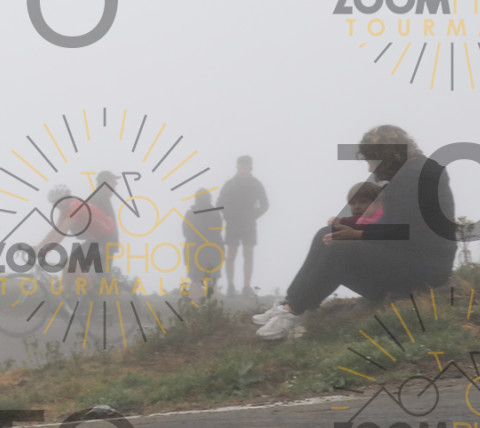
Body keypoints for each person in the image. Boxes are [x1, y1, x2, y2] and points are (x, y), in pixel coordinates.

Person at [254, 126, 455, 341]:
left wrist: (358, 235)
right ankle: (290, 304)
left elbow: (405, 231)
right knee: (329, 234)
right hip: (418, 262)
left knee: (341, 250)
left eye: (371, 161)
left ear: (386, 156)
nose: (370, 169)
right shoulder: (415, 172)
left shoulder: (411, 178)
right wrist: (352, 231)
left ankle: (294, 310)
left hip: (422, 273)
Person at [218, 156, 268, 297]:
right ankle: (230, 286)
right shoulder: (230, 184)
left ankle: (246, 286)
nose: (244, 171)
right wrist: (228, 215)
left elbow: (265, 204)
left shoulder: (256, 185)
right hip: (233, 223)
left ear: (251, 168)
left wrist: (253, 215)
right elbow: (219, 202)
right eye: (241, 168)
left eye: (246, 168)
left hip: (249, 223)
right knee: (232, 253)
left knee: (249, 253)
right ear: (237, 167)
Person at [181, 187, 223, 301]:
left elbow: (185, 232)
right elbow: (218, 231)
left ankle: (196, 308)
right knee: (213, 282)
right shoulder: (215, 213)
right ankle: (213, 308)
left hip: (194, 251)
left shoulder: (190, 214)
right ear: (209, 199)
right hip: (213, 251)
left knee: (195, 281)